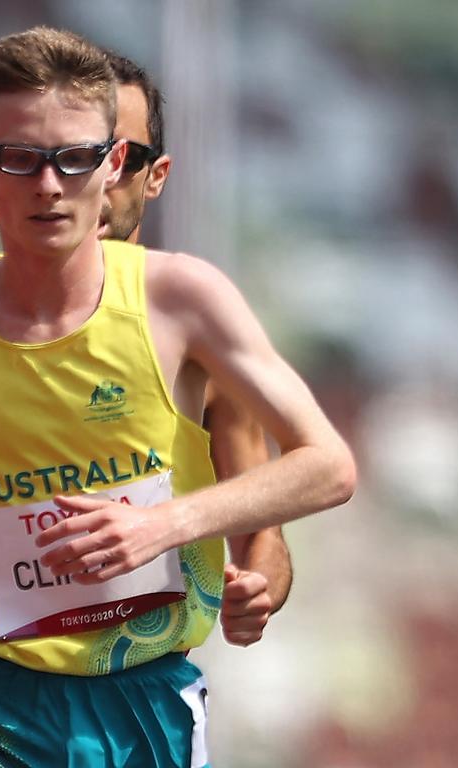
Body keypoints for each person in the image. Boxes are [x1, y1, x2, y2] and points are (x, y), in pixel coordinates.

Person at [0, 26, 356, 767]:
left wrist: (164, 525)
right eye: (21, 159)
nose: (48, 186)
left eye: (74, 160)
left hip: (143, 699)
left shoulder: (181, 298)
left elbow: (327, 465)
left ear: (112, 164)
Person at [101, 49, 293, 647]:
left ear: (156, 176)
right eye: (73, 154)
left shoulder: (196, 331)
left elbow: (265, 534)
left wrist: (257, 588)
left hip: (144, 697)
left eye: (121, 158)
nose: (96, 177)